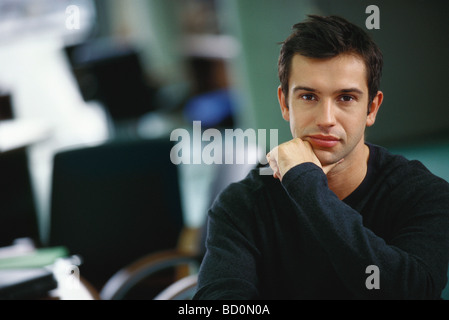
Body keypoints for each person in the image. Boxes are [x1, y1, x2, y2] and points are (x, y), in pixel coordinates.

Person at [193, 15, 449, 299]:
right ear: (284, 103)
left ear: (372, 108)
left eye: (346, 98)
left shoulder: (425, 194)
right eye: (308, 97)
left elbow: (412, 291)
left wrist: (306, 185)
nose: (326, 119)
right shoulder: (242, 204)